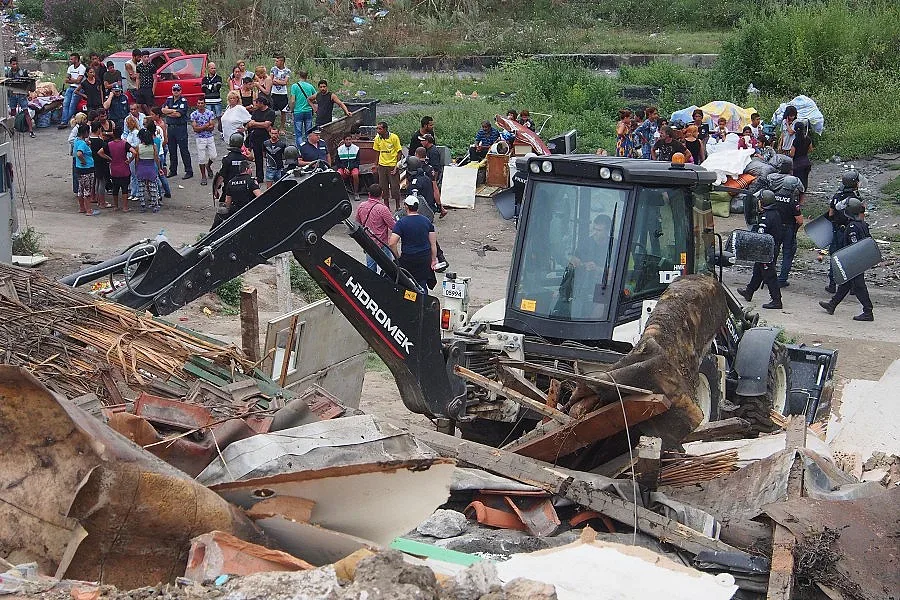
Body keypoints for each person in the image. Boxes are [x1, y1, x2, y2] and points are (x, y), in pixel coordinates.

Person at [819, 198, 873, 321]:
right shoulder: (863, 224)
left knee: (859, 287)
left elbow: (853, 246)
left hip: (854, 261)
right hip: (858, 261)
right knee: (845, 284)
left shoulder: (852, 226)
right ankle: (832, 305)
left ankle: (868, 311)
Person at [737, 190, 784, 309]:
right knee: (758, 271)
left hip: (766, 251)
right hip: (770, 249)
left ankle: (776, 300)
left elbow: (760, 236)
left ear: (763, 202)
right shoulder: (775, 213)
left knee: (770, 275)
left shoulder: (765, 218)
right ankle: (749, 291)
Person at [389, 195, 438, 292]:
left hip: (408, 258)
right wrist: (433, 260)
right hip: (424, 258)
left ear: (406, 206)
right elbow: (433, 244)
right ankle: (423, 304)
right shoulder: (426, 221)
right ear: (417, 207)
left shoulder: (401, 223)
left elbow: (392, 243)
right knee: (422, 285)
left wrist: (397, 257)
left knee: (405, 284)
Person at [825, 170, 860, 293]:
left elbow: (830, 214)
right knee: (851, 257)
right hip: (850, 232)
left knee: (835, 257)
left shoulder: (836, 197)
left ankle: (832, 284)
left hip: (837, 230)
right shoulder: (856, 199)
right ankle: (852, 287)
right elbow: (860, 218)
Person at [356, 183, 396, 272]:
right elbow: (393, 226)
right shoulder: (383, 209)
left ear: (369, 194)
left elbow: (358, 223)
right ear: (381, 194)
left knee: (371, 270)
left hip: (368, 243)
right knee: (390, 270)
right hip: (382, 243)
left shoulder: (361, 206)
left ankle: (372, 285)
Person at [216, 160, 263, 228]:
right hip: (249, 210)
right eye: (250, 168)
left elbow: (228, 201)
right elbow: (260, 196)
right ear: (246, 169)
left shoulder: (231, 182)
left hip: (236, 211)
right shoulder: (251, 180)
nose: (251, 170)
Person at [160, 84, 192, 179]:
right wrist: (172, 111)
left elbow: (178, 114)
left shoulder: (183, 101)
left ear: (181, 91)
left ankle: (189, 171)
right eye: (174, 90)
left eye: (178, 90)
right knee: (172, 150)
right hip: (170, 128)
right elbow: (162, 110)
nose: (176, 91)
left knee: (184, 150)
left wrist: (169, 112)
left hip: (180, 128)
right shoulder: (169, 99)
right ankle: (173, 170)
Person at [97, 124, 131, 211]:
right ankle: (125, 207)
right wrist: (129, 160)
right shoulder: (124, 144)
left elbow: (100, 152)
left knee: (115, 188)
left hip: (114, 168)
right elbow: (134, 152)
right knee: (124, 188)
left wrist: (109, 158)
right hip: (124, 168)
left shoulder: (109, 144)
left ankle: (116, 206)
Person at [246, 95, 276, 183]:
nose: (255, 104)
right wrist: (258, 124)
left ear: (262, 103)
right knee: (258, 158)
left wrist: (256, 123)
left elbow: (267, 125)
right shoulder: (256, 112)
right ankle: (259, 177)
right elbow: (251, 123)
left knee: (271, 157)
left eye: (257, 103)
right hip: (256, 137)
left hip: (267, 137)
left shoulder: (270, 112)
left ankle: (273, 176)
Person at [132, 126, 162, 213]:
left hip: (141, 168)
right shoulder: (153, 146)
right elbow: (156, 159)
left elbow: (137, 160)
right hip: (151, 168)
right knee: (153, 187)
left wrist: (136, 169)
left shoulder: (138, 147)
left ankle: (143, 205)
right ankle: (155, 204)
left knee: (141, 188)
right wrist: (159, 168)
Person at [373, 121, 402, 209]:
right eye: (377, 128)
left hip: (392, 165)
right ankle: (386, 207)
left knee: (395, 187)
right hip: (382, 166)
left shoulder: (394, 137)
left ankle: (398, 206)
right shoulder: (377, 138)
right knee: (383, 187)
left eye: (380, 129)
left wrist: (396, 167)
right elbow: (377, 152)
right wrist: (376, 165)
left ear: (385, 129)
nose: (378, 131)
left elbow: (399, 152)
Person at [5, 57, 34, 138]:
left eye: (16, 64)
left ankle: (31, 130)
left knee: (26, 112)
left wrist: (27, 92)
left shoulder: (23, 72)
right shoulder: (8, 73)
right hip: (12, 95)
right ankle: (12, 129)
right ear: (10, 64)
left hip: (21, 95)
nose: (15, 65)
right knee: (13, 112)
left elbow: (28, 82)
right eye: (13, 64)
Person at [190, 97, 217, 185]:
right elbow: (195, 129)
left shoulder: (210, 113)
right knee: (201, 158)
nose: (200, 105)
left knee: (213, 156)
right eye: (199, 103)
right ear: (196, 104)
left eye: (202, 103)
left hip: (209, 136)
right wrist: (206, 126)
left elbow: (212, 127)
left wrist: (201, 127)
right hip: (200, 138)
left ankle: (208, 165)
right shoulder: (194, 114)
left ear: (204, 104)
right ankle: (203, 176)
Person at [73, 123, 98, 215]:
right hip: (87, 169)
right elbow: (79, 154)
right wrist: (83, 161)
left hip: (79, 168)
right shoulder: (82, 144)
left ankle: (82, 208)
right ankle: (89, 210)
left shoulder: (77, 141)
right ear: (85, 132)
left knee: (81, 189)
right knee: (87, 190)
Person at [289, 70, 317, 146]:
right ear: (307, 76)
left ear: (299, 75)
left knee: (298, 134)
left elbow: (293, 100)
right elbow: (316, 96)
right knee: (308, 132)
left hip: (298, 111)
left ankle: (300, 150)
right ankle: (309, 148)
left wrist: (292, 110)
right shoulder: (310, 86)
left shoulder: (294, 86)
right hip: (308, 111)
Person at [60, 53, 86, 127]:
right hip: (71, 87)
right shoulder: (70, 68)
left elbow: (79, 81)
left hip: (78, 88)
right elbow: (66, 79)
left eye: (72, 59)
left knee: (72, 105)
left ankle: (65, 121)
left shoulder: (82, 68)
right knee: (65, 104)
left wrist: (71, 80)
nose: (70, 60)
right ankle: (64, 121)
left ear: (77, 59)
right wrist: (73, 80)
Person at [88, 121, 110, 209]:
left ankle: (98, 200)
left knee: (97, 181)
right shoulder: (99, 141)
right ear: (98, 129)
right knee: (102, 182)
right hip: (100, 163)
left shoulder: (89, 140)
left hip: (93, 163)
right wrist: (109, 158)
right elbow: (104, 150)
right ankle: (102, 202)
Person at [790, 120, 814, 190]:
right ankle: (804, 192)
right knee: (805, 179)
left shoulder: (795, 140)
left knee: (797, 181)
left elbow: (792, 154)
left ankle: (798, 195)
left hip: (797, 164)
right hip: (806, 162)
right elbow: (811, 149)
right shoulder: (808, 139)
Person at [269, 55, 291, 131]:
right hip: (274, 93)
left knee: (283, 111)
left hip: (283, 94)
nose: (276, 62)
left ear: (282, 62)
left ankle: (282, 127)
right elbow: (270, 80)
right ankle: (271, 126)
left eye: (277, 61)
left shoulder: (287, 71)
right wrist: (278, 82)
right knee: (272, 111)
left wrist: (276, 81)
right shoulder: (273, 69)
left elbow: (285, 82)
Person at [134, 50, 156, 116]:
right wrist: (137, 88)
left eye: (147, 57)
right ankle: (142, 117)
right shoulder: (139, 67)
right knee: (139, 104)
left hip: (149, 87)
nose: (146, 58)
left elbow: (155, 79)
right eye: (145, 57)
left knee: (150, 105)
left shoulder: (152, 66)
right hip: (141, 87)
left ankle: (152, 118)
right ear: (142, 57)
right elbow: (137, 78)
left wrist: (153, 90)